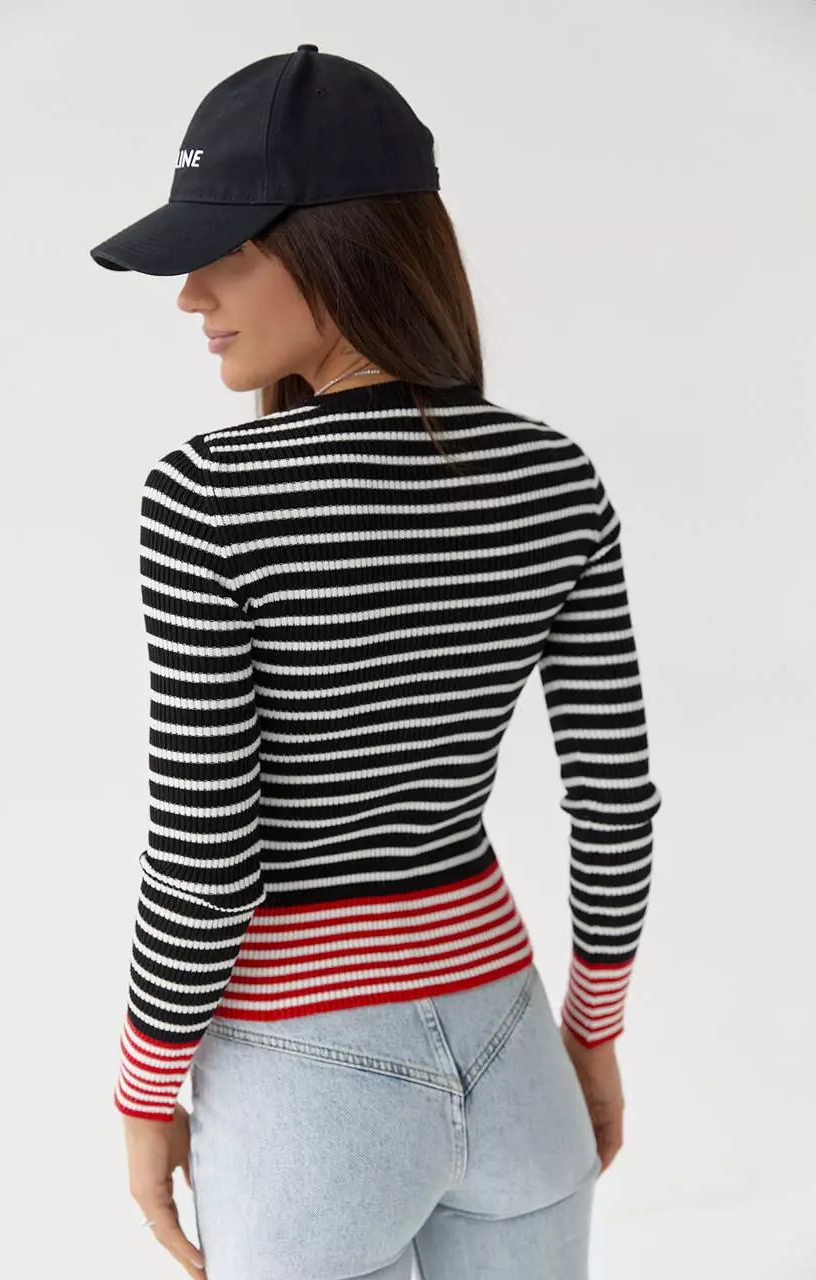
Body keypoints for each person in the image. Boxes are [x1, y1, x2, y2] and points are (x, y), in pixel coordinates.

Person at [90, 45, 662, 1280]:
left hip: (304, 1082)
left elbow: (206, 854)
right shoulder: (552, 478)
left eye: (225, 249)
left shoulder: (209, 500)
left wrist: (143, 1091)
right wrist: (592, 1035)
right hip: (514, 1050)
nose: (190, 294)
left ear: (337, 248)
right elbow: (615, 799)